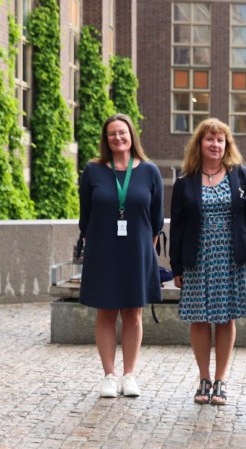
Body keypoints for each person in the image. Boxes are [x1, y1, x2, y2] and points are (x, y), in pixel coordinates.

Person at [79, 114, 164, 398]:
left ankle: (129, 375)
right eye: (112, 134)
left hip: (137, 252)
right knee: (105, 312)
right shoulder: (92, 171)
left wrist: (144, 249)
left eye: (122, 133)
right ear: (106, 139)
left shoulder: (150, 171)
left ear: (131, 136)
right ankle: (109, 375)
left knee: (133, 313)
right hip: (103, 251)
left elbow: (155, 220)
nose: (117, 138)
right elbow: (85, 218)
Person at [170, 118, 246, 406]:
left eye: (220, 140)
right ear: (200, 144)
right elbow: (178, 226)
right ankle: (203, 378)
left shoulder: (240, 175)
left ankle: (221, 379)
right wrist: (177, 267)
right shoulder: (185, 181)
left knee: (226, 316)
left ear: (226, 144)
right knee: (200, 317)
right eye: (210, 139)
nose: (215, 144)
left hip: (231, 256)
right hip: (198, 256)